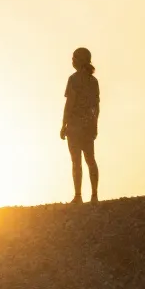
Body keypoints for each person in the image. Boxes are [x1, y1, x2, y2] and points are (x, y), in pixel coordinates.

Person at [59, 47, 100, 203]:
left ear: (80, 60)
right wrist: (94, 124)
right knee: (91, 159)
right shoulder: (94, 82)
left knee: (76, 162)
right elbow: (96, 107)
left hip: (75, 126)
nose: (72, 61)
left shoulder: (74, 79)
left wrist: (64, 124)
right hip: (88, 125)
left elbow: (69, 104)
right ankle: (94, 195)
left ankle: (78, 196)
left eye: (74, 58)